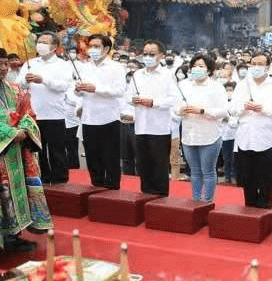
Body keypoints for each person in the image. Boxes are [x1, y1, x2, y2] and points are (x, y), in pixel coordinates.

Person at [0, 47, 53, 251]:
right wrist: (10, 133)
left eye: (5, 64)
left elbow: (28, 113)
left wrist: (24, 128)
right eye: (0, 64)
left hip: (15, 153)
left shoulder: (14, 89)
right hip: (5, 148)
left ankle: (13, 236)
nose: (4, 68)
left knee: (15, 194)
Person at [230, 52, 272, 209]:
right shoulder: (242, 85)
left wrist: (264, 109)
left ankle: (265, 212)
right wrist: (243, 106)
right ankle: (249, 212)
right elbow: (232, 109)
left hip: (267, 139)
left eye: (260, 64)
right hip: (245, 138)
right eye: (253, 63)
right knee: (247, 180)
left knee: (265, 179)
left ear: (268, 67)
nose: (256, 67)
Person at [18, 32, 72, 184]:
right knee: (37, 149)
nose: (40, 45)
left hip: (54, 113)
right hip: (33, 114)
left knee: (57, 149)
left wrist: (44, 80)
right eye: (39, 41)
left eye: (45, 42)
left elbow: (63, 86)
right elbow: (18, 83)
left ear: (54, 47)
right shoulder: (31, 62)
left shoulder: (63, 65)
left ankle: (60, 178)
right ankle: (42, 176)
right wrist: (25, 80)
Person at [127, 40, 178, 196]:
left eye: (152, 54)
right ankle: (145, 194)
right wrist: (133, 100)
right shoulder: (137, 74)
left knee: (159, 165)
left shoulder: (167, 75)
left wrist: (153, 103)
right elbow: (128, 96)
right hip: (141, 125)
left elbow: (173, 99)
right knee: (143, 164)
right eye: (145, 54)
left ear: (161, 56)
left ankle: (160, 197)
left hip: (159, 127)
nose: (148, 57)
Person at [75, 34, 125, 189]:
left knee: (110, 157)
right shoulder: (85, 66)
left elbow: (119, 90)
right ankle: (96, 186)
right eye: (91, 46)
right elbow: (78, 92)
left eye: (96, 46)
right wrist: (78, 89)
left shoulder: (116, 67)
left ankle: (112, 189)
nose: (92, 50)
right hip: (89, 117)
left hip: (108, 118)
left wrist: (96, 88)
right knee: (92, 157)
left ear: (106, 49)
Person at [175, 54, 227, 202]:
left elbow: (223, 111)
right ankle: (196, 200)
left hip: (209, 135)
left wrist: (203, 111)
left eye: (201, 66)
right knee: (195, 172)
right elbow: (174, 107)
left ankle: (207, 201)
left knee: (208, 171)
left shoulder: (216, 87)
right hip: (188, 135)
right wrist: (180, 110)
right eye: (194, 66)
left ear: (209, 70)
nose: (197, 69)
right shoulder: (184, 85)